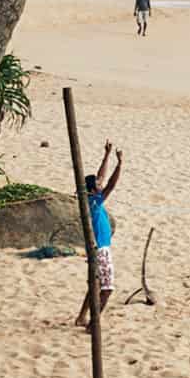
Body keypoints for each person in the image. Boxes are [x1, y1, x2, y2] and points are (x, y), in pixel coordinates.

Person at [74, 141, 123, 329]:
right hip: (101, 249)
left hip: (96, 248)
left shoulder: (90, 197)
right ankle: (93, 324)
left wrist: (107, 155)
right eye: (97, 185)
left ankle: (82, 317)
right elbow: (109, 184)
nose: (100, 184)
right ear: (93, 190)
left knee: (94, 286)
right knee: (107, 289)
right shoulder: (94, 201)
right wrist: (120, 164)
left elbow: (101, 177)